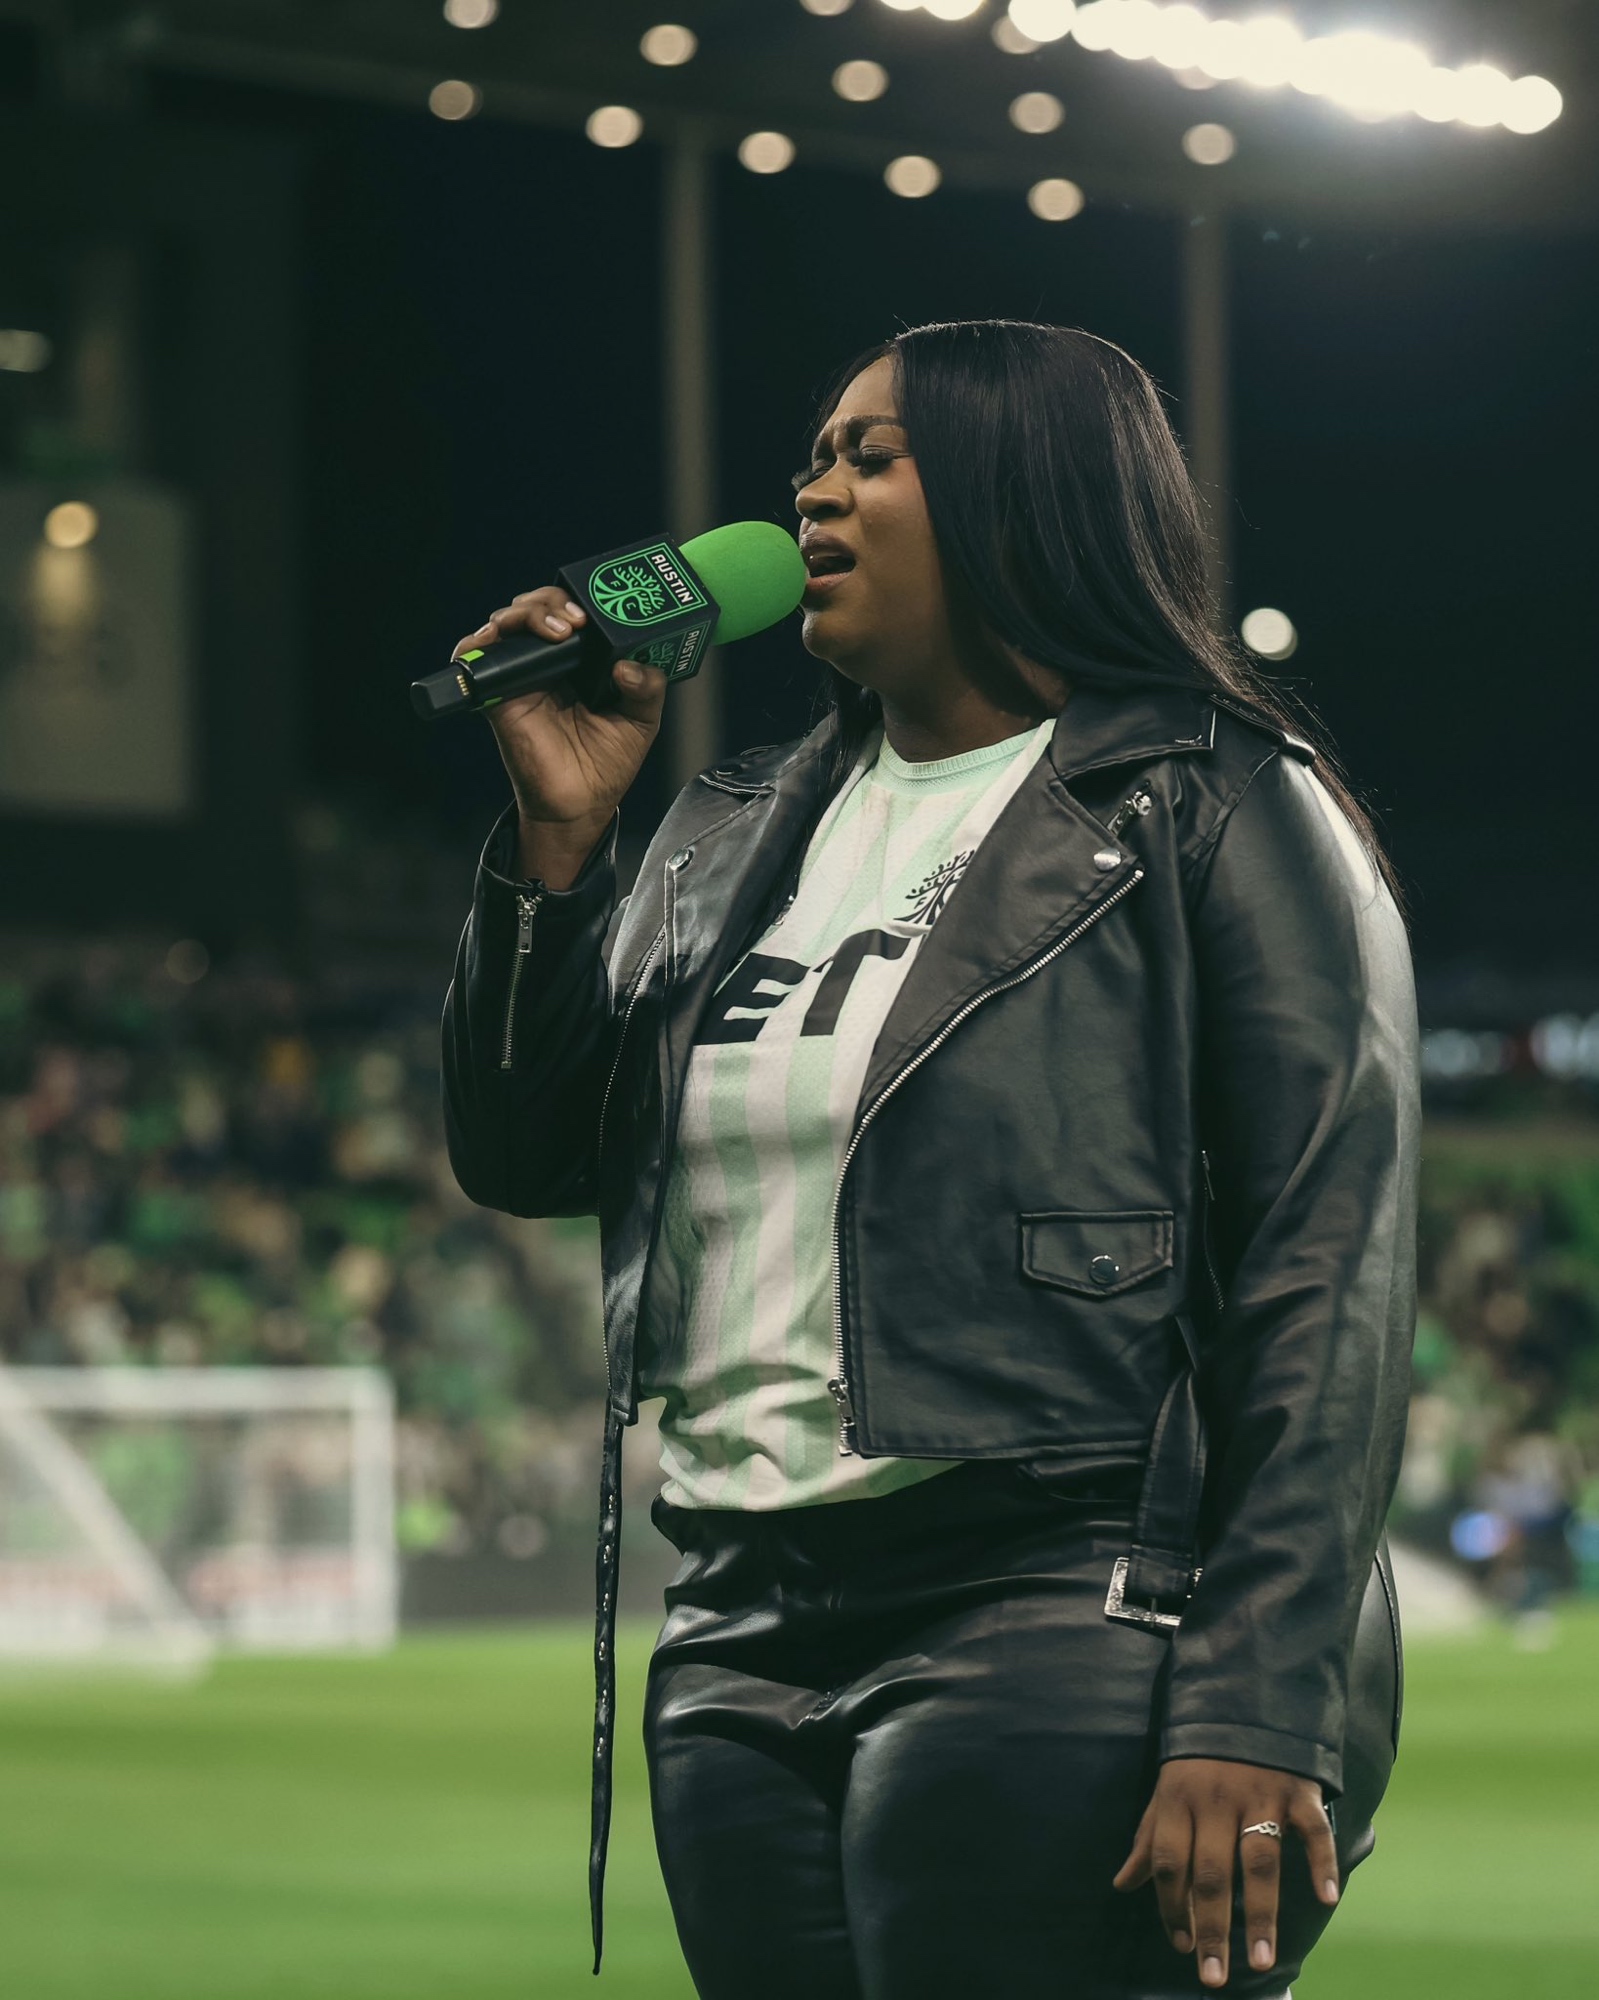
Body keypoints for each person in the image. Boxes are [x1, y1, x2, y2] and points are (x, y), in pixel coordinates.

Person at [441, 320, 1418, 1999]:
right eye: (812, 458)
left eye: (870, 456)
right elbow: (527, 1153)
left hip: (1061, 1591)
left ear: (1017, 488)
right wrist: (558, 849)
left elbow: (1332, 1265)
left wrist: (1259, 1701)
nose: (813, 492)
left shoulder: (1213, 800)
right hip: (736, 1627)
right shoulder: (730, 827)